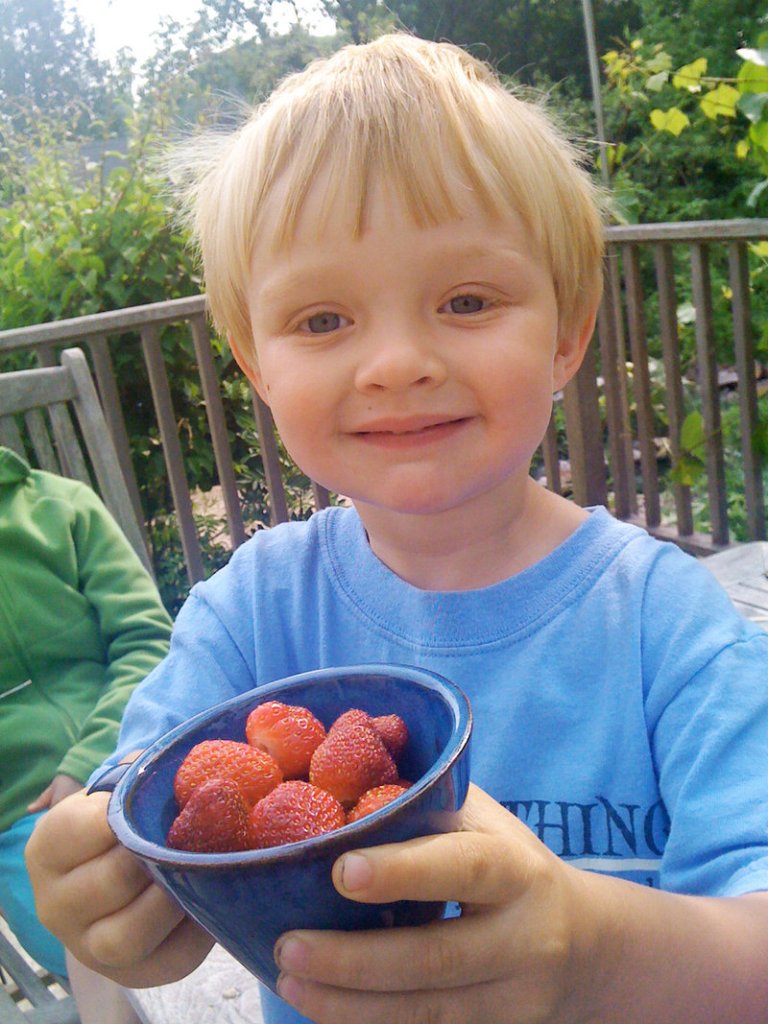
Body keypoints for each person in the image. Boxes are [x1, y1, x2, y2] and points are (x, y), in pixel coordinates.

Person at [25, 32, 768, 1024]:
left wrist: (597, 955)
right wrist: (107, 884)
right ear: (256, 364)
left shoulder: (669, 626)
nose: (396, 362)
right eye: (324, 320)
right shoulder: (250, 613)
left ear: (568, 329)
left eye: (467, 299)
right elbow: (150, 809)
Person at [0, 444, 173, 1024]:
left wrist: (86, 765)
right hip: (20, 825)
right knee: (108, 929)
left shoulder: (62, 507)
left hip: (142, 761)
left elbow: (147, 639)